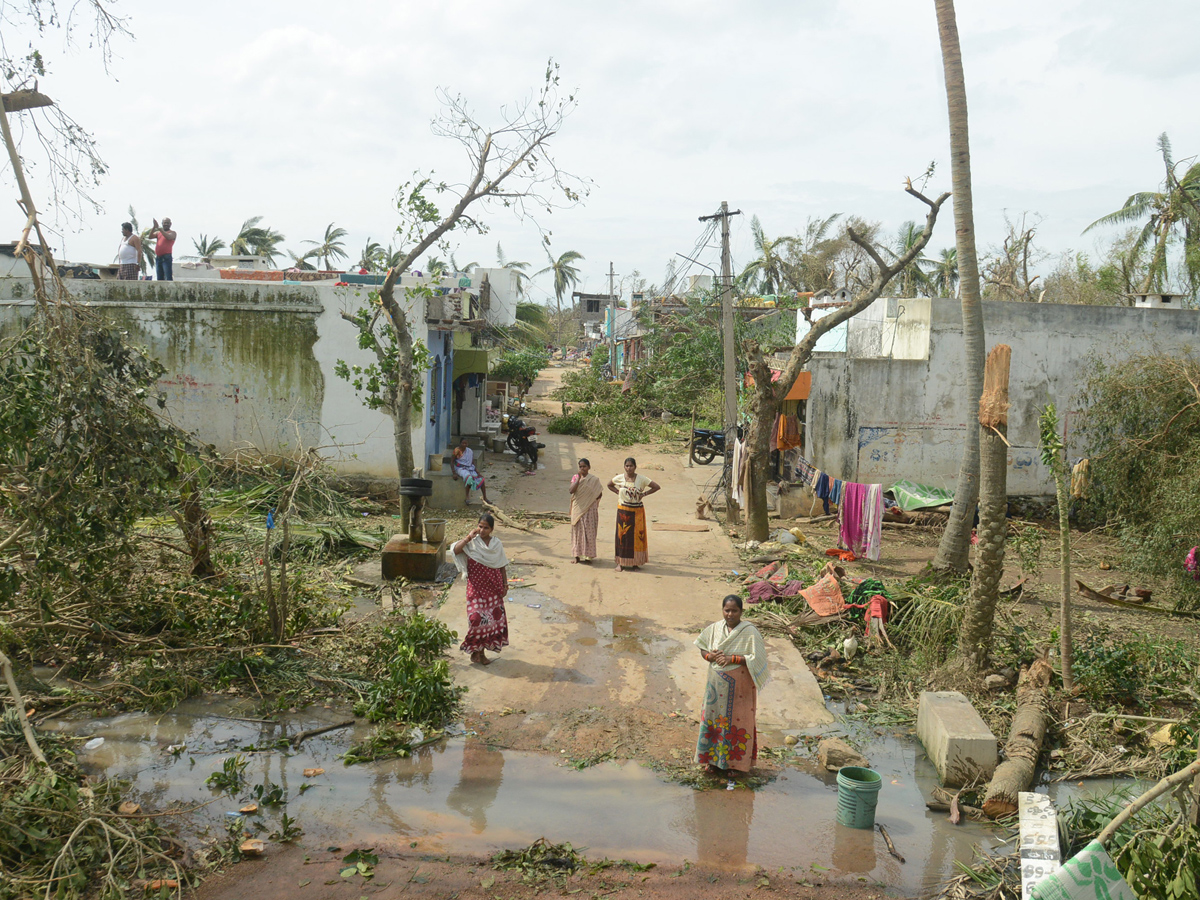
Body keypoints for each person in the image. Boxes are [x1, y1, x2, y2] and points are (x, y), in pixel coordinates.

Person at [694, 595, 769, 775]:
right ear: (722, 610)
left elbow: (757, 658)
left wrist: (731, 658)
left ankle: (736, 765)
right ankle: (711, 761)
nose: (730, 614)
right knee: (714, 721)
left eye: (734, 610)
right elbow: (702, 646)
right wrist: (709, 657)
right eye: (727, 610)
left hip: (740, 687)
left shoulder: (750, 631)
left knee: (739, 723)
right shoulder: (714, 628)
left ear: (741, 612)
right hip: (715, 686)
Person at [452, 514, 508, 665]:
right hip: (475, 588)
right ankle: (476, 651)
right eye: (480, 526)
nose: (482, 530)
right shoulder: (472, 543)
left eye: (486, 528)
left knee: (489, 622)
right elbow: (455, 550)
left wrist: (505, 584)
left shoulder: (496, 544)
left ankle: (480, 653)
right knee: (476, 620)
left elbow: (502, 564)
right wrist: (468, 537)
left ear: (492, 529)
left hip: (492, 588)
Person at [607, 456, 660, 571]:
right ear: (624, 467)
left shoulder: (642, 479)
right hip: (623, 511)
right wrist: (617, 492)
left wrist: (644, 494)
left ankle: (636, 562)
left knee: (636, 537)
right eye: (627, 466)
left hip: (637, 512)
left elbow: (656, 487)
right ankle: (620, 563)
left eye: (631, 466)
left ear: (635, 467)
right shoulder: (620, 478)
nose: (629, 468)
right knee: (623, 537)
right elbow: (609, 485)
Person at [569, 458, 603, 563]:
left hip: (590, 508)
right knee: (577, 532)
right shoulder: (575, 477)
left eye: (584, 466)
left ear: (589, 467)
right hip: (578, 508)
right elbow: (571, 490)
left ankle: (588, 556)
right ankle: (576, 556)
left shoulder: (594, 480)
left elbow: (599, 492)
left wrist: (591, 501)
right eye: (580, 467)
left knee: (590, 532)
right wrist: (578, 478)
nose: (582, 468)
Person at [452, 437, 489, 504]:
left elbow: (472, 463)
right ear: (460, 443)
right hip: (460, 468)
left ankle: (485, 497)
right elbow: (452, 462)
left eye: (465, 443)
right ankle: (467, 497)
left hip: (470, 468)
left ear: (467, 444)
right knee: (468, 477)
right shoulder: (457, 450)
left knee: (481, 479)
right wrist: (454, 473)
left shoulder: (469, 451)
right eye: (463, 443)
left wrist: (477, 472)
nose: (464, 444)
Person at [149, 217, 177, 281]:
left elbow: (169, 237)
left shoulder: (173, 233)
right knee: (159, 278)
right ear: (162, 224)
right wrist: (154, 227)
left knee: (168, 277)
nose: (166, 224)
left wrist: (160, 229)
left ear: (170, 224)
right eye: (164, 223)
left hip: (166, 258)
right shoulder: (158, 233)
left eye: (167, 223)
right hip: (158, 258)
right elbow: (150, 236)